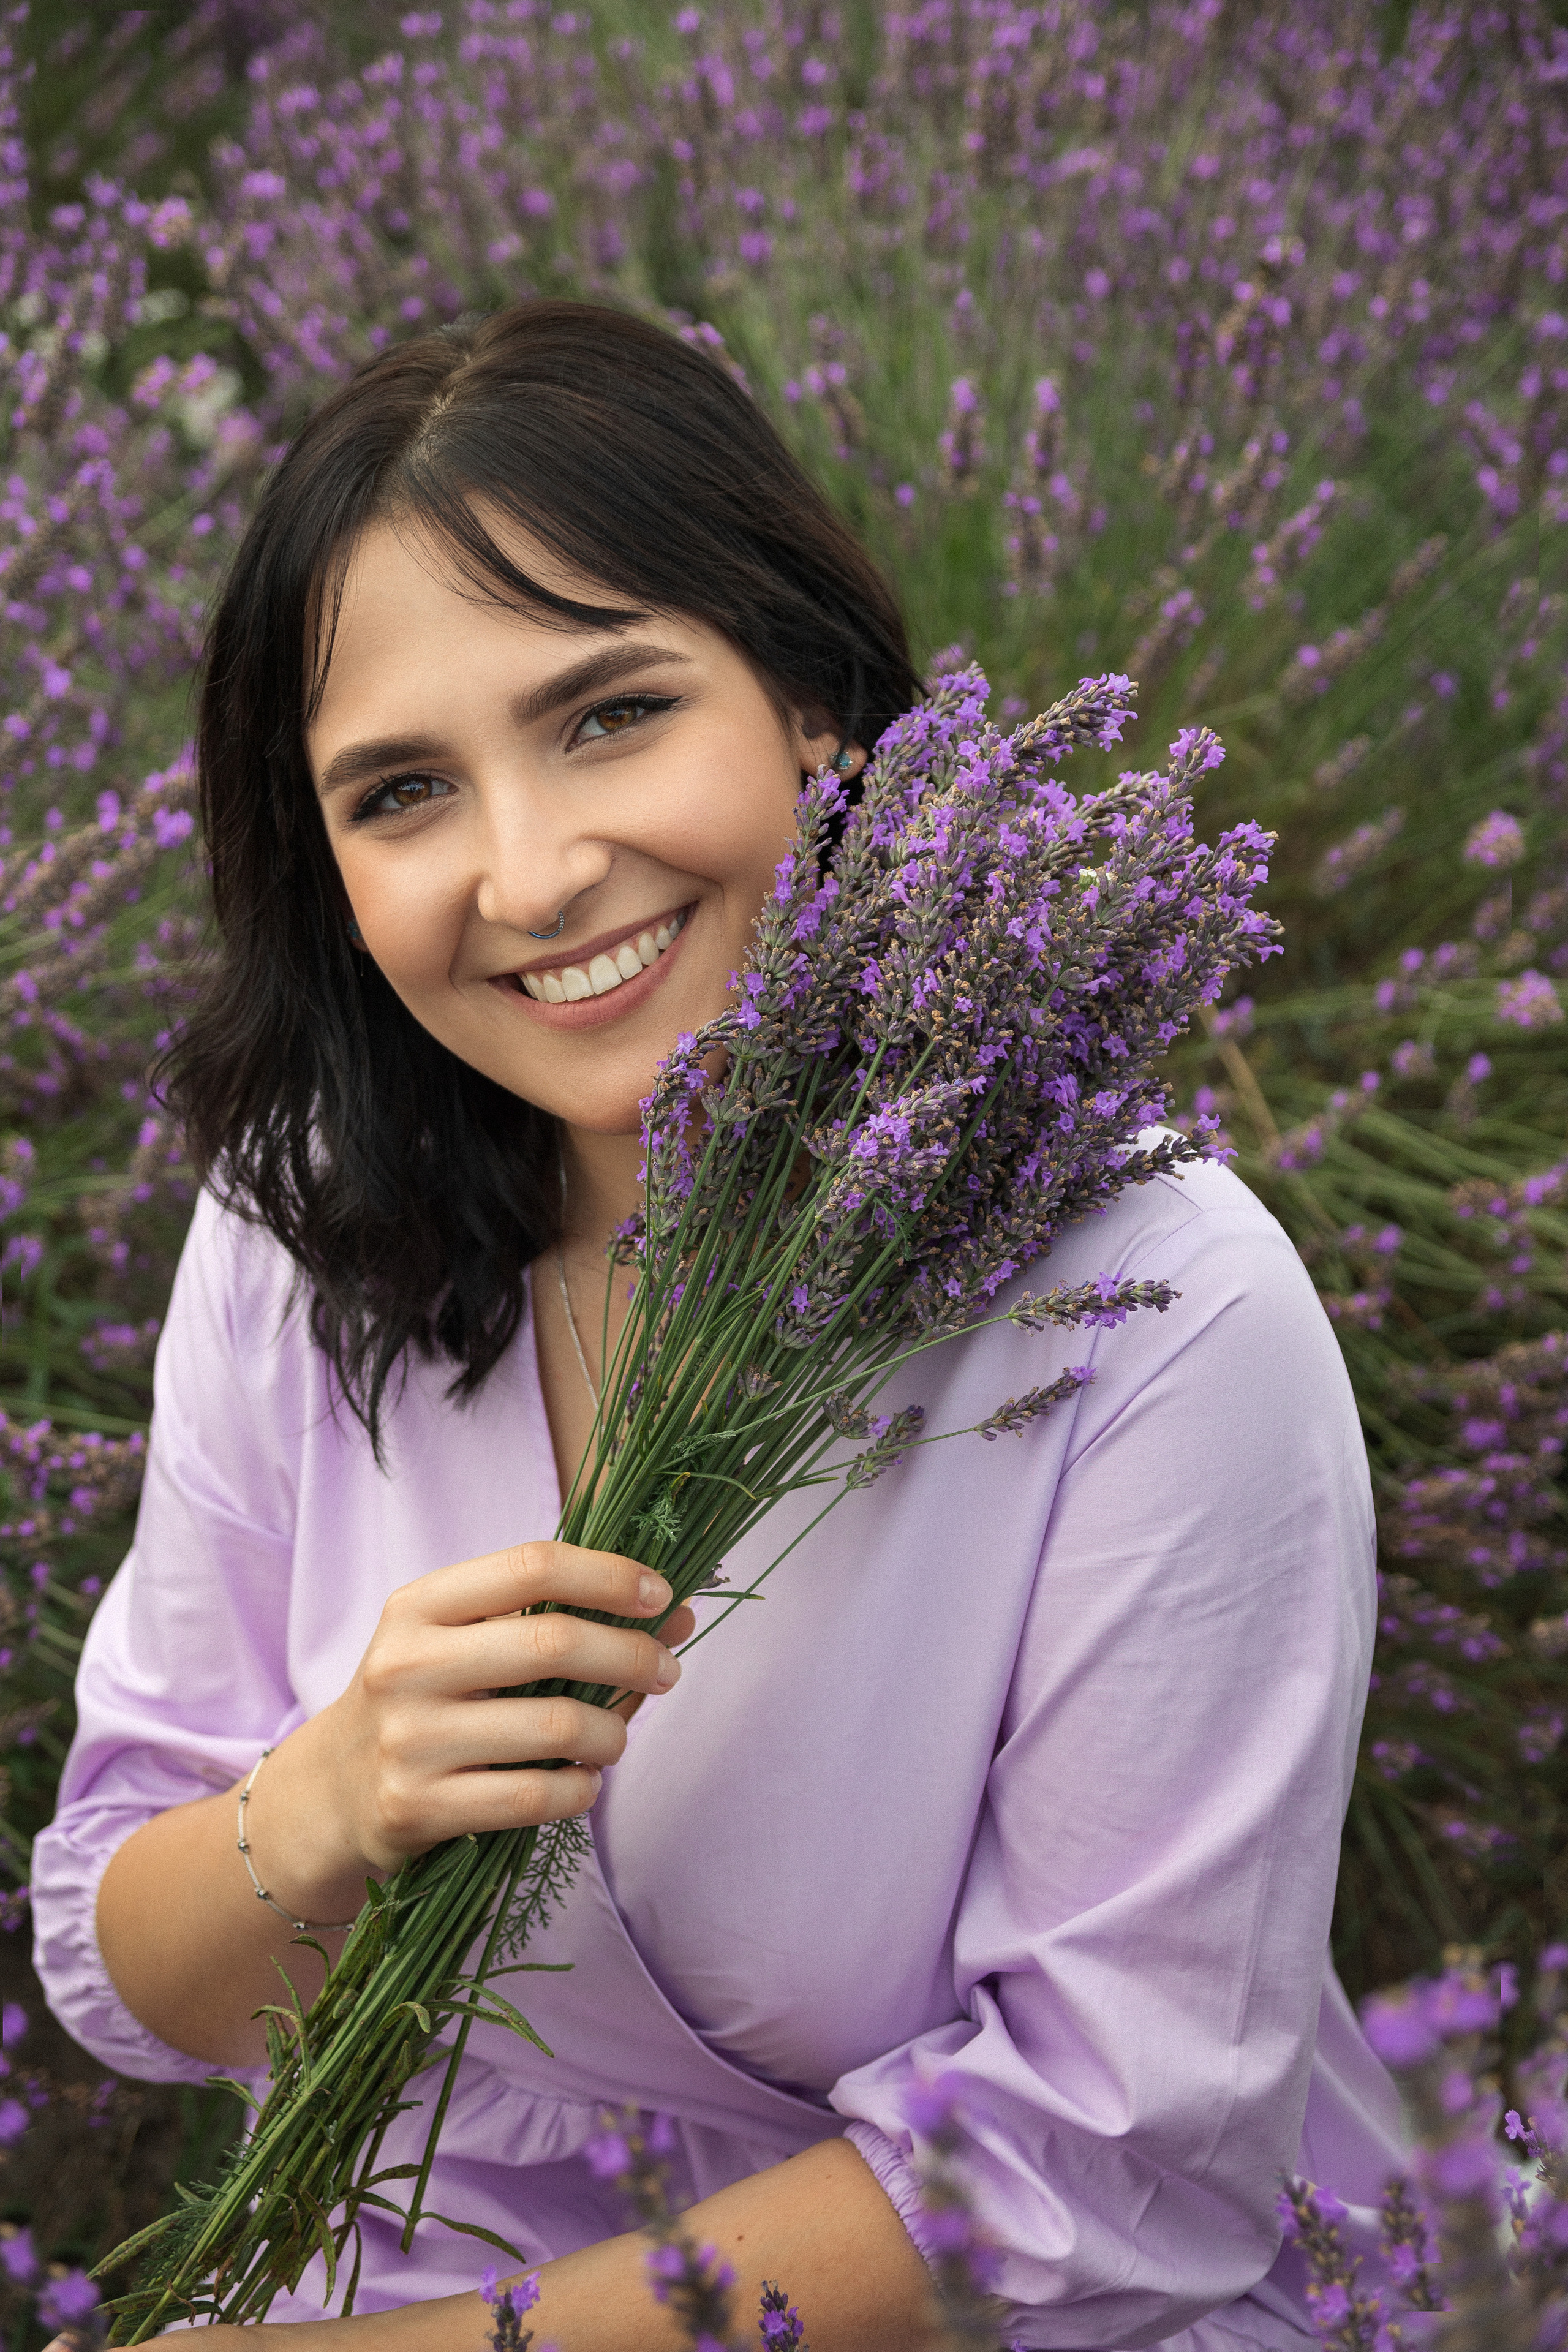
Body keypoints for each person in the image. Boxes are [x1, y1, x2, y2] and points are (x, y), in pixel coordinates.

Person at [33, 300, 1405, 2352]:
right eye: (402, 790)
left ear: (817, 711)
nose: (533, 870)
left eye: (608, 715)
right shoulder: (304, 1223)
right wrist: (331, 1800)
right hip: (416, 2267)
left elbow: (1085, 2177)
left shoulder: (1160, 1311)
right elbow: (133, 1975)